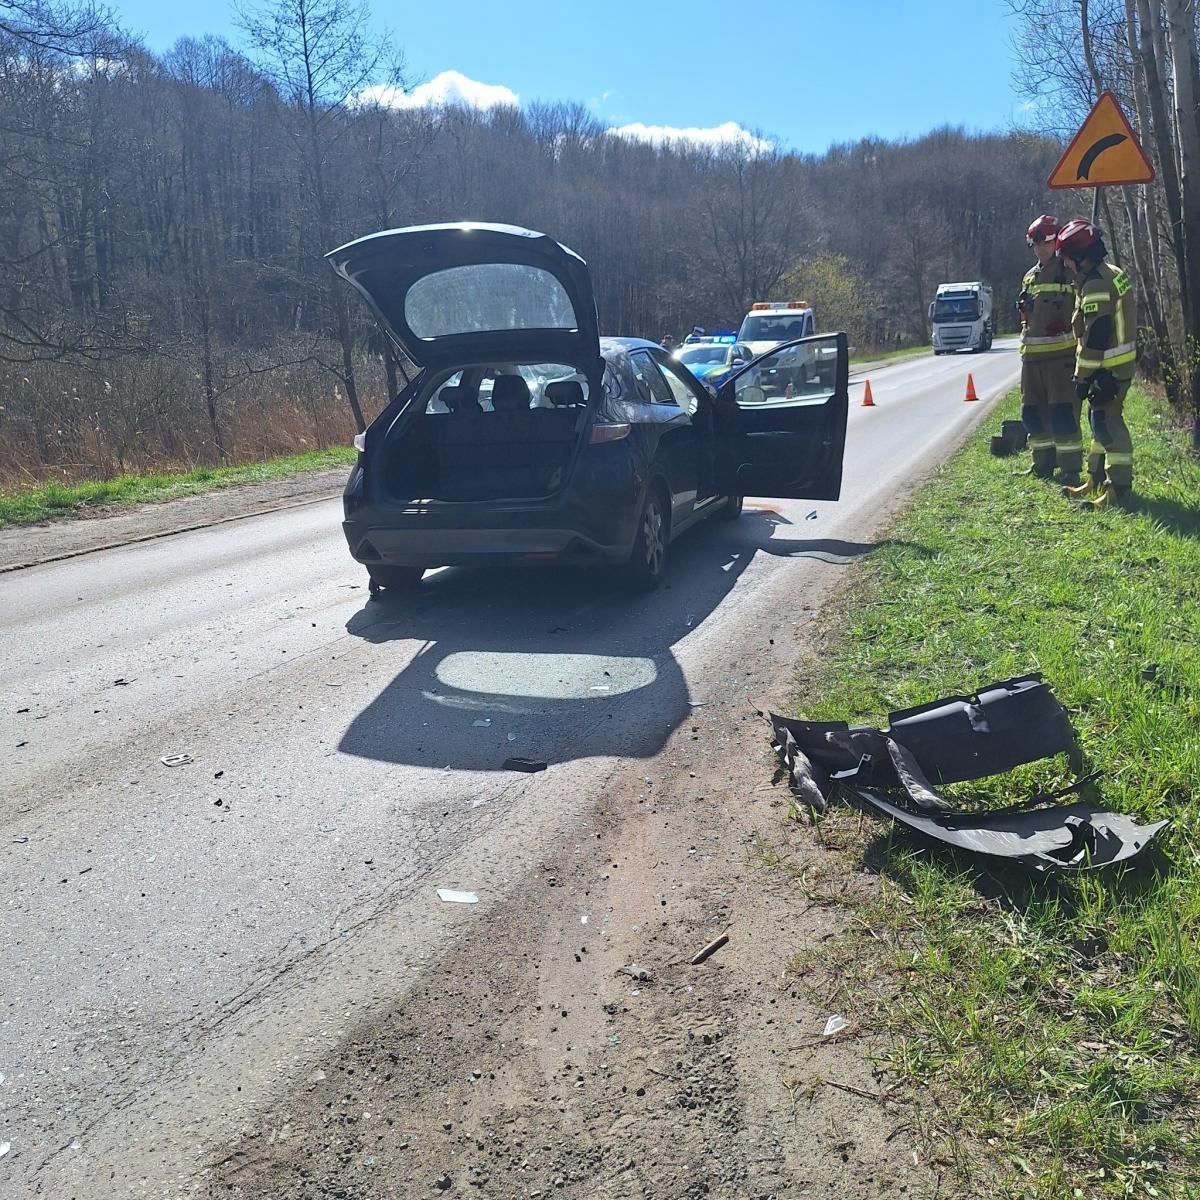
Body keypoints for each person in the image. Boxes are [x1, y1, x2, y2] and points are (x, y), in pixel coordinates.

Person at [1055, 219, 1137, 510]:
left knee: (1108, 425)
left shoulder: (1097, 284)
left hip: (1109, 368)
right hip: (1114, 366)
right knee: (1097, 420)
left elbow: (1096, 337)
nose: (1064, 263)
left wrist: (1082, 377)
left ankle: (1118, 492)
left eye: (1065, 256)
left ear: (1079, 255)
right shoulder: (1108, 273)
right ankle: (1095, 479)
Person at [1016, 215, 1083, 483]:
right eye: (1034, 245)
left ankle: (1070, 468)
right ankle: (1041, 464)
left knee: (1062, 415)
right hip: (1031, 360)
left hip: (1061, 359)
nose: (1038, 250)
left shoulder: (1069, 272)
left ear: (1055, 241)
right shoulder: (1030, 277)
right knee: (1032, 414)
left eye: (1042, 243)